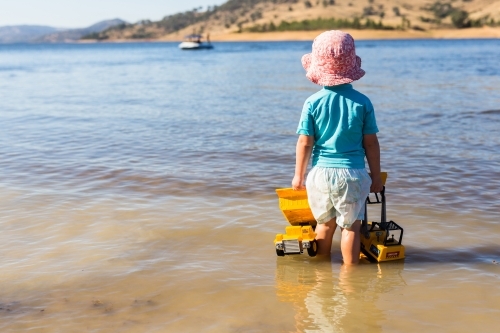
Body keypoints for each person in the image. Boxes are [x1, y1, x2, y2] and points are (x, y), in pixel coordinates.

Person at [292, 30, 383, 264]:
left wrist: (298, 176)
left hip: (321, 174)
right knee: (351, 226)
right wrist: (375, 176)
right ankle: (350, 278)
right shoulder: (362, 102)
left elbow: (305, 142)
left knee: (324, 224)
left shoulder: (312, 102)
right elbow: (371, 143)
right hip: (352, 173)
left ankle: (322, 275)